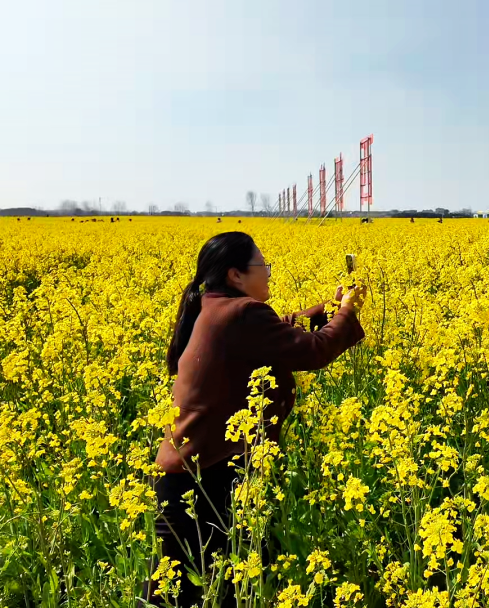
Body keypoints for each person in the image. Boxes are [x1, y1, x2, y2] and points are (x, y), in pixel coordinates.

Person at [149, 232, 366, 607]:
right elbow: (312, 351)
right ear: (235, 275)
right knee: (210, 592)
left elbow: (278, 330)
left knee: (194, 591)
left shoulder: (213, 306)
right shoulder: (242, 313)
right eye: (262, 265)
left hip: (190, 474)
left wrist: (329, 308)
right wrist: (345, 313)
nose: (268, 273)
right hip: (208, 480)